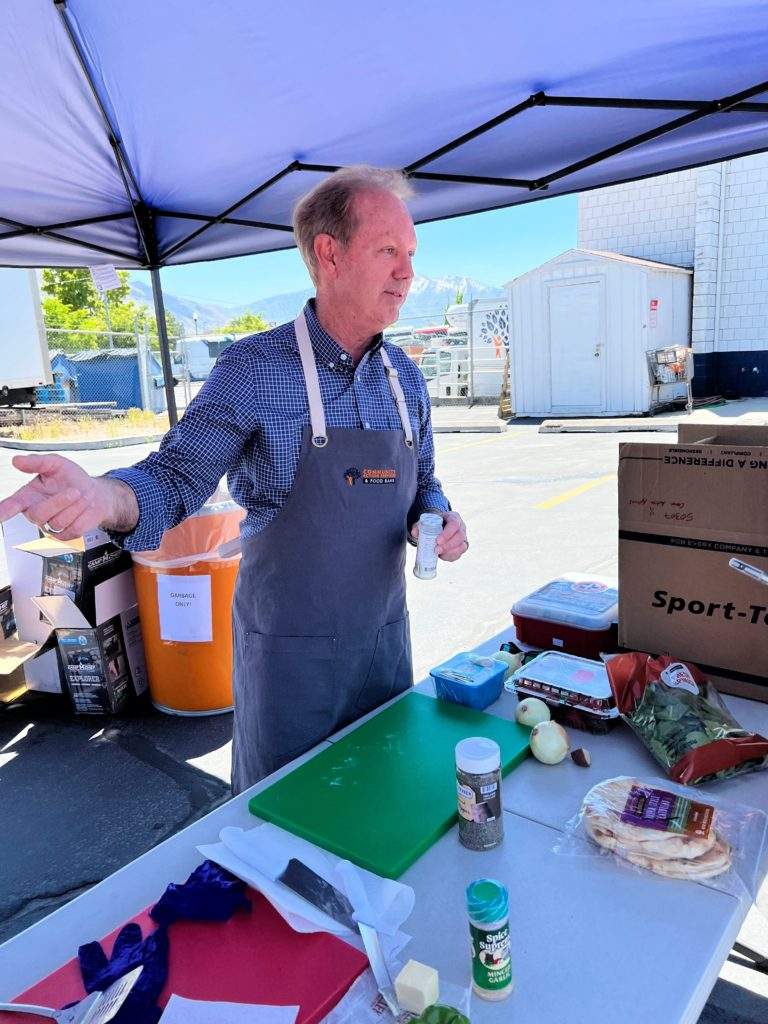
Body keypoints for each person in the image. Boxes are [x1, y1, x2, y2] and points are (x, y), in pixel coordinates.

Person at [0, 166, 468, 793]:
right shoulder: (253, 370)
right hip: (288, 667)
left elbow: (425, 485)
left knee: (380, 805)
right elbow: (174, 477)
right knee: (285, 832)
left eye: (410, 254)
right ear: (328, 253)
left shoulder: (403, 380)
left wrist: (435, 519)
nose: (407, 272)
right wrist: (103, 496)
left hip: (384, 653)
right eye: (388, 251)